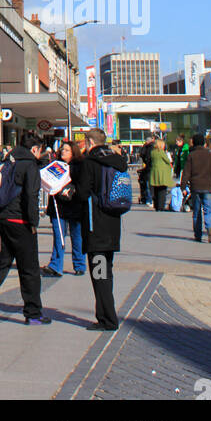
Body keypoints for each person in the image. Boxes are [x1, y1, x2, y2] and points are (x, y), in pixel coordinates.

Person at [0, 130, 50, 336]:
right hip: (21, 221)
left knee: (2, 264)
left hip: (3, 219)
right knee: (29, 268)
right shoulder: (30, 164)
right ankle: (33, 313)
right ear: (35, 149)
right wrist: (33, 221)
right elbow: (31, 195)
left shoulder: (7, 160)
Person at [75, 127, 130, 331]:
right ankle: (106, 315)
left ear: (90, 142)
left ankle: (107, 319)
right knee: (106, 271)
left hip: (95, 226)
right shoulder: (118, 161)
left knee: (99, 274)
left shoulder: (90, 163)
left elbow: (82, 193)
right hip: (113, 224)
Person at [41, 139, 86, 278]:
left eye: (66, 150)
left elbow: (83, 185)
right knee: (59, 236)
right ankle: (56, 265)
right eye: (62, 150)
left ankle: (79, 265)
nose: (63, 152)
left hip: (74, 206)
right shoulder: (55, 164)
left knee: (77, 237)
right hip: (58, 206)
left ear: (73, 152)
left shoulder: (79, 166)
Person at [181, 132, 211, 243]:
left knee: (196, 212)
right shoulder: (210, 155)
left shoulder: (191, 156)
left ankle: (198, 234)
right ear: (204, 143)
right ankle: (210, 229)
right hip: (208, 188)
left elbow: (186, 173)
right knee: (208, 211)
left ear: (194, 143)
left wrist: (183, 187)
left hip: (195, 188)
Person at [148, 138, 173, 211]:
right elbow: (167, 160)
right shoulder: (161, 152)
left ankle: (156, 206)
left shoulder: (152, 152)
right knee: (162, 190)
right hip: (161, 173)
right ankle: (161, 206)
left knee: (156, 190)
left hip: (154, 172)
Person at [137, 136, 156, 205]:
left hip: (148, 168)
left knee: (148, 184)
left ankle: (148, 199)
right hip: (150, 168)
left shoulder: (148, 147)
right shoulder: (153, 147)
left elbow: (142, 154)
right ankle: (150, 199)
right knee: (150, 184)